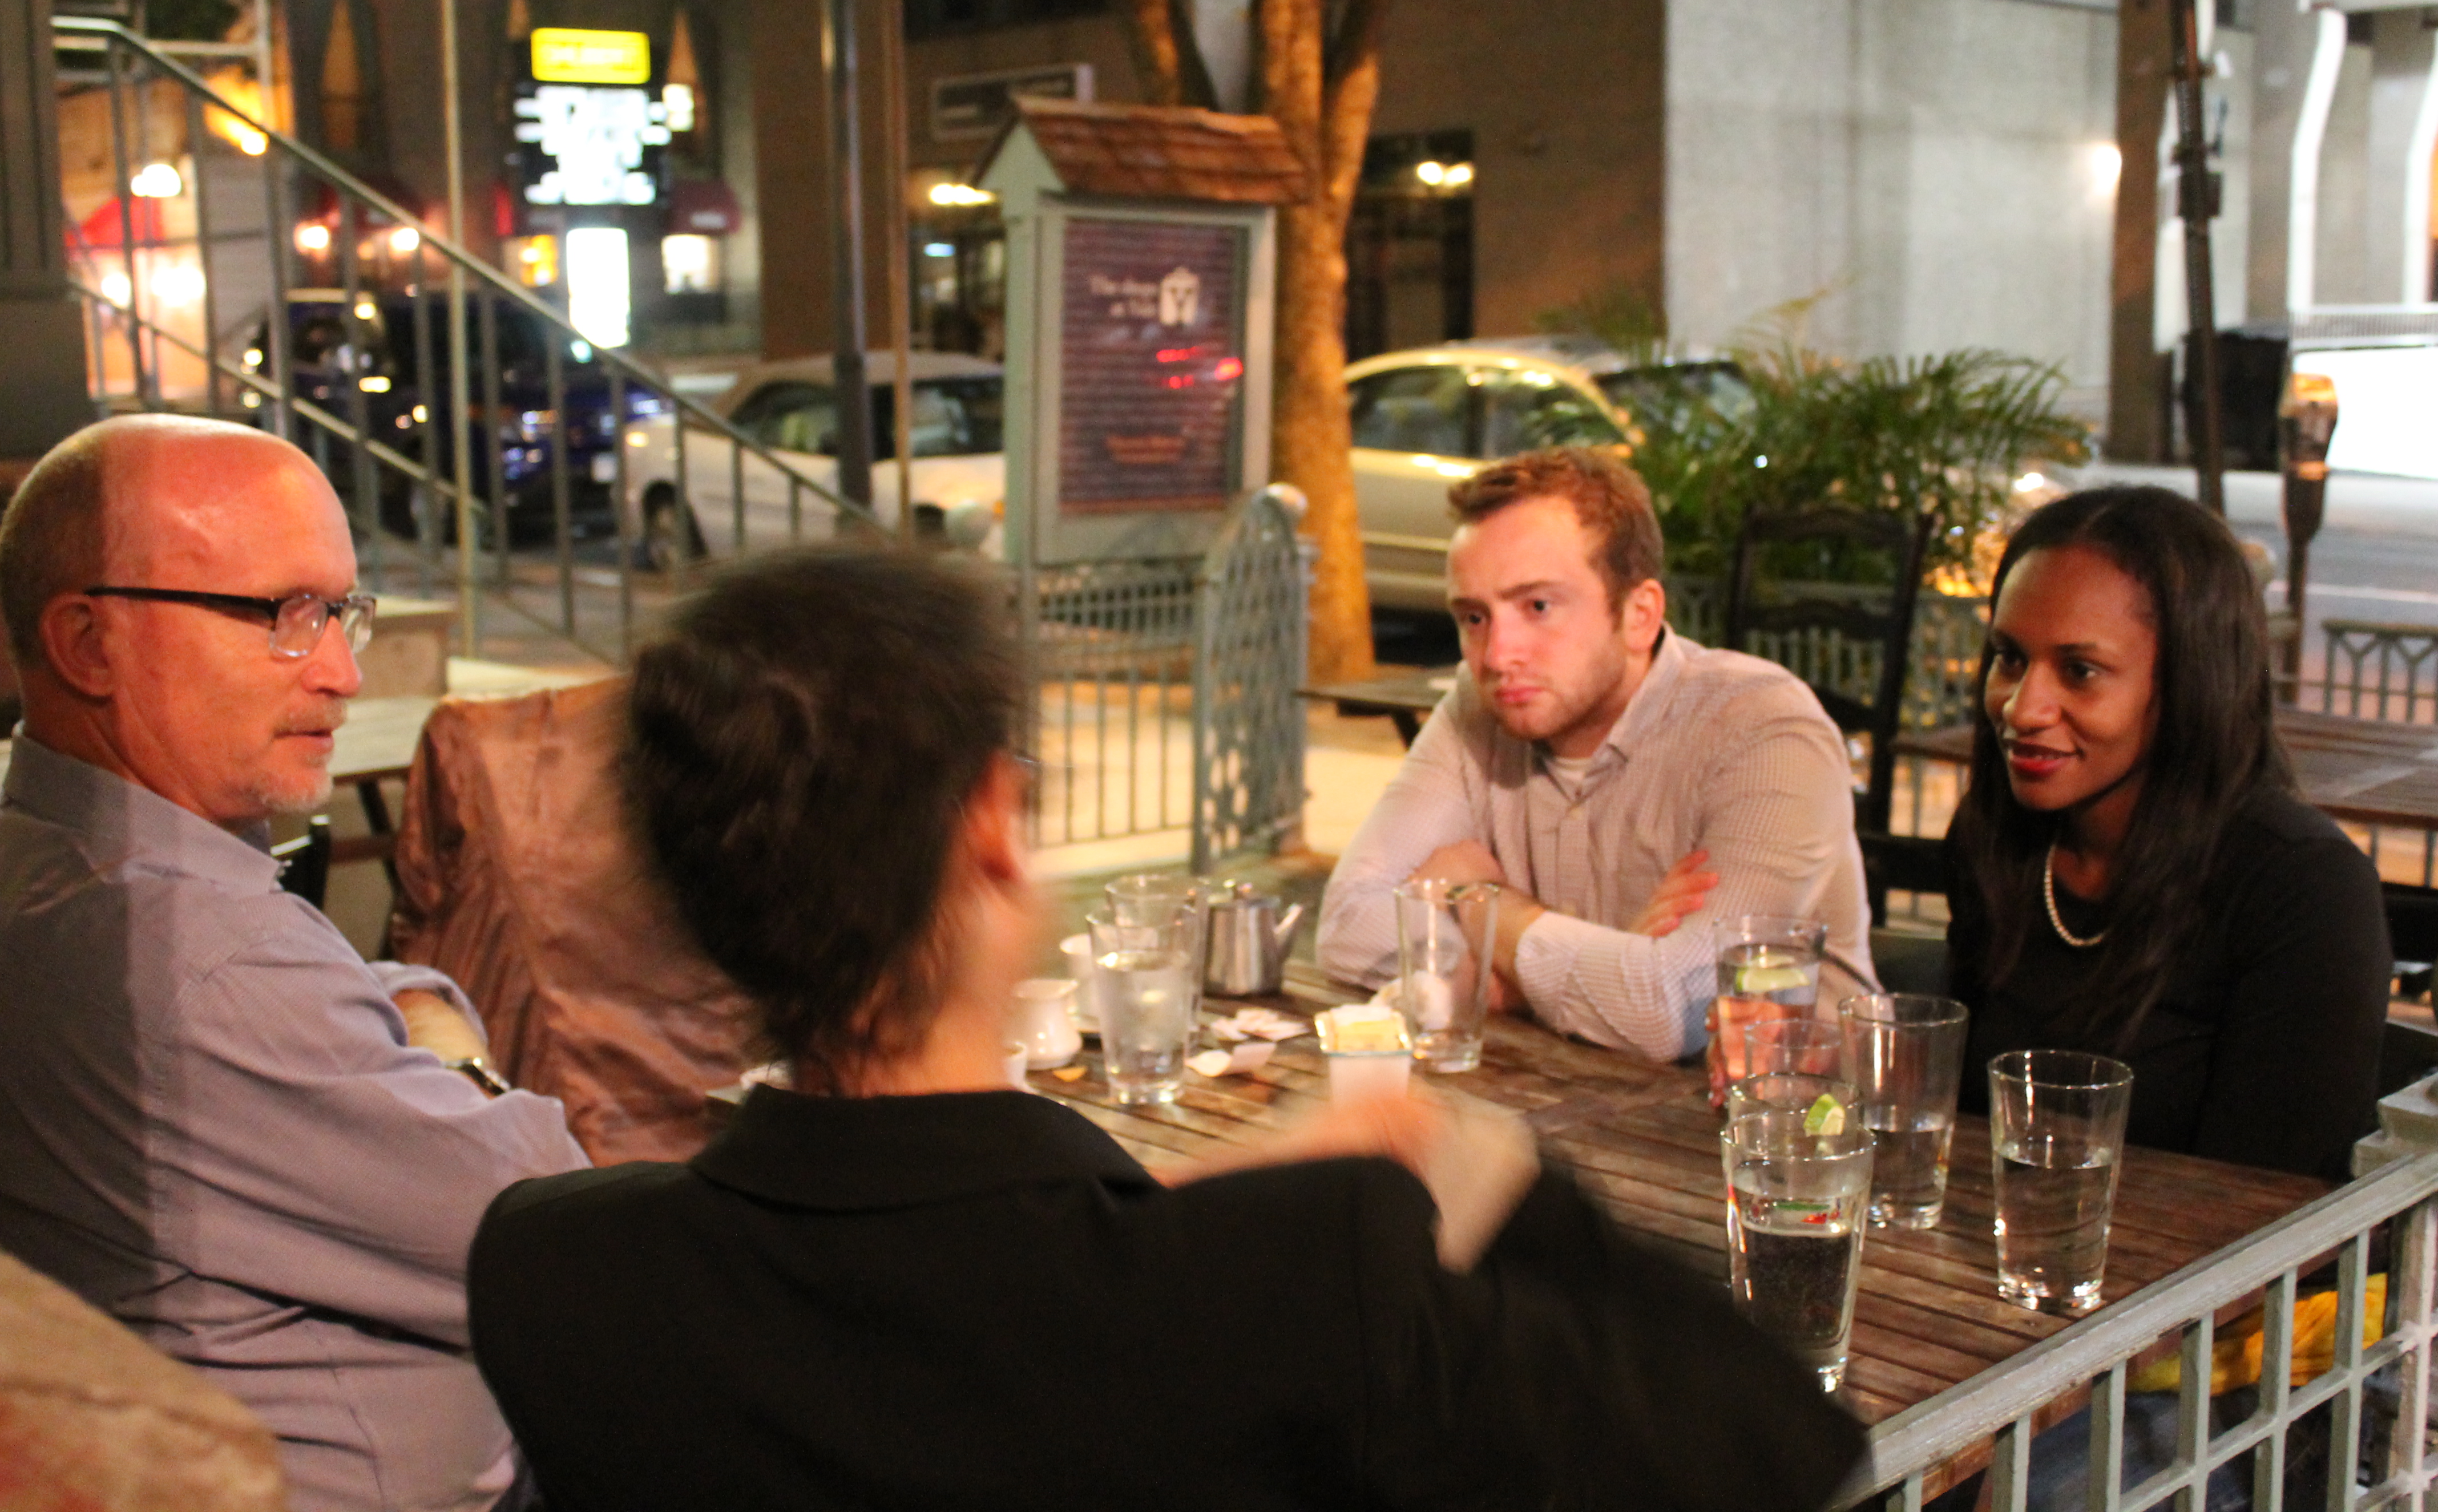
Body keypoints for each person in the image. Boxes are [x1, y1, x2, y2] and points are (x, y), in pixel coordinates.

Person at [466, 544, 1866, 1512]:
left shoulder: (557, 1275)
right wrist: (1486, 1169)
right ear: (991, 825)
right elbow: (1775, 1443)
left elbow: (948, 1272)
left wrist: (1177, 1197)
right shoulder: (1312, 1278)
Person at [0, 417, 590, 1512]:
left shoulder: (51, 859)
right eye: (282, 614)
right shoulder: (198, 960)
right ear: (88, 643)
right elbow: (559, 1234)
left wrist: (404, 1004)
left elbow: (374, 994)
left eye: (339, 611)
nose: (341, 672)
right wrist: (457, 1059)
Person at [1318, 447, 1874, 1063]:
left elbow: (1672, 1011)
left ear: (1640, 615)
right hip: (1573, 1099)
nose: (1497, 655)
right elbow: (1345, 926)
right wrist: (1586, 968)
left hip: (1797, 1116)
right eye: (1475, 617)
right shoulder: (1476, 708)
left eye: (1538, 607)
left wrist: (1482, 901)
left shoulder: (1763, 730)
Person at [1945, 483, 2389, 1183]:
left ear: (2189, 682)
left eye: (2080, 671)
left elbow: (2273, 1211)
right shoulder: (1996, 838)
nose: (2023, 708)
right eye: (2010, 657)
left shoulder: (2303, 888)